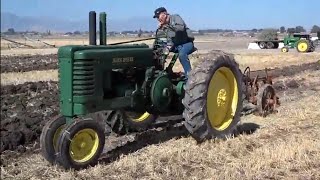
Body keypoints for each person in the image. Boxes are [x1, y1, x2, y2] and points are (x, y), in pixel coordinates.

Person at [153, 7, 196, 77]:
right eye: (157, 18)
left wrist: (168, 25)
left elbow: (180, 28)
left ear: (165, 14)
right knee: (159, 52)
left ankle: (189, 76)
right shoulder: (164, 27)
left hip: (186, 43)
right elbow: (160, 38)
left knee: (182, 54)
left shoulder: (176, 17)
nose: (158, 19)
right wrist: (160, 29)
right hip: (175, 45)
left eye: (158, 16)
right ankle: (160, 73)